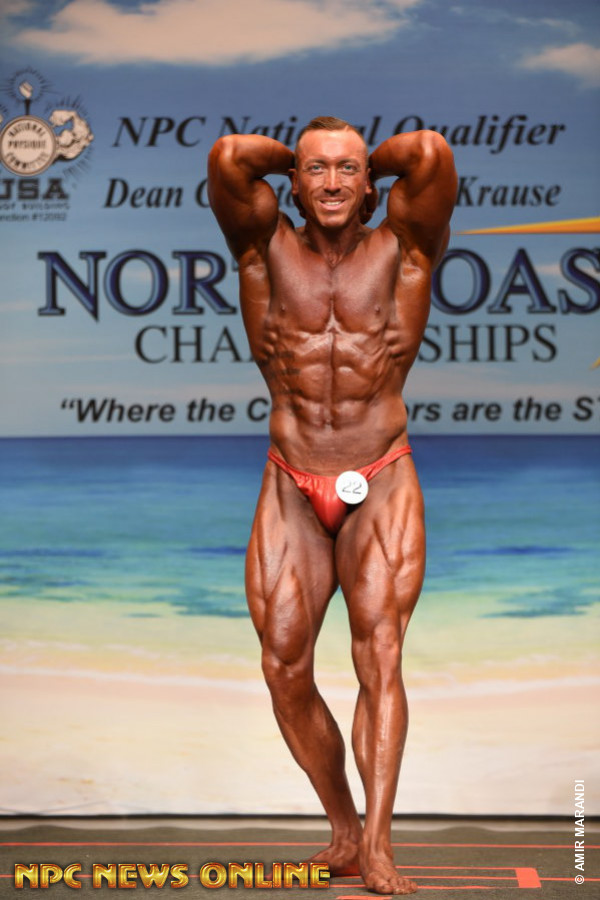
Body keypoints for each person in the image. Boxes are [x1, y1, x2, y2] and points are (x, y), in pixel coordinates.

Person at [208, 116, 456, 895]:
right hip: (291, 479)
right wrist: (308, 158)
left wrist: (356, 160)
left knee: (379, 657)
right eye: (317, 170)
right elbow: (229, 156)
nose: (334, 182)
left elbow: (428, 152)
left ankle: (377, 845)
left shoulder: (405, 248)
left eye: (348, 169)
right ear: (292, 184)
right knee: (283, 667)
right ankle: (343, 828)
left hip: (380, 474)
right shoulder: (262, 249)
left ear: (371, 183)